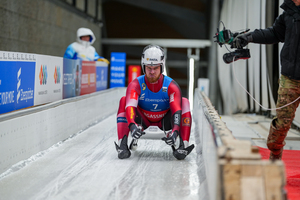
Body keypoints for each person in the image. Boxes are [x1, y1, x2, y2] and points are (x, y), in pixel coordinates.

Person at [232, 0, 300, 160]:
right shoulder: (288, 14)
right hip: (290, 78)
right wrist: (249, 37)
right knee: (282, 123)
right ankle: (275, 155)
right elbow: (275, 33)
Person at [114, 44, 194, 160]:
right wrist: (132, 125)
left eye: (155, 68)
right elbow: (130, 106)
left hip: (164, 121)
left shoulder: (171, 85)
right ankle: (122, 144)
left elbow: (176, 109)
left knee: (184, 102)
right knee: (123, 100)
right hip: (143, 120)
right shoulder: (135, 84)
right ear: (143, 66)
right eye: (149, 68)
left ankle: (183, 145)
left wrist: (175, 132)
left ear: (161, 67)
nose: (152, 72)